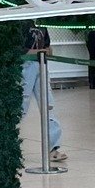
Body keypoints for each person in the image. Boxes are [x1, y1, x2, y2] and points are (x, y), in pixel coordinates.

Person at [21, 24, 64, 166]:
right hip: (25, 66)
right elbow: (19, 49)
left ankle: (53, 148)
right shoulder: (22, 23)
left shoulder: (42, 24)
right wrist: (39, 52)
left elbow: (48, 47)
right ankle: (7, 145)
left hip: (42, 66)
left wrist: (45, 51)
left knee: (48, 106)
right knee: (21, 106)